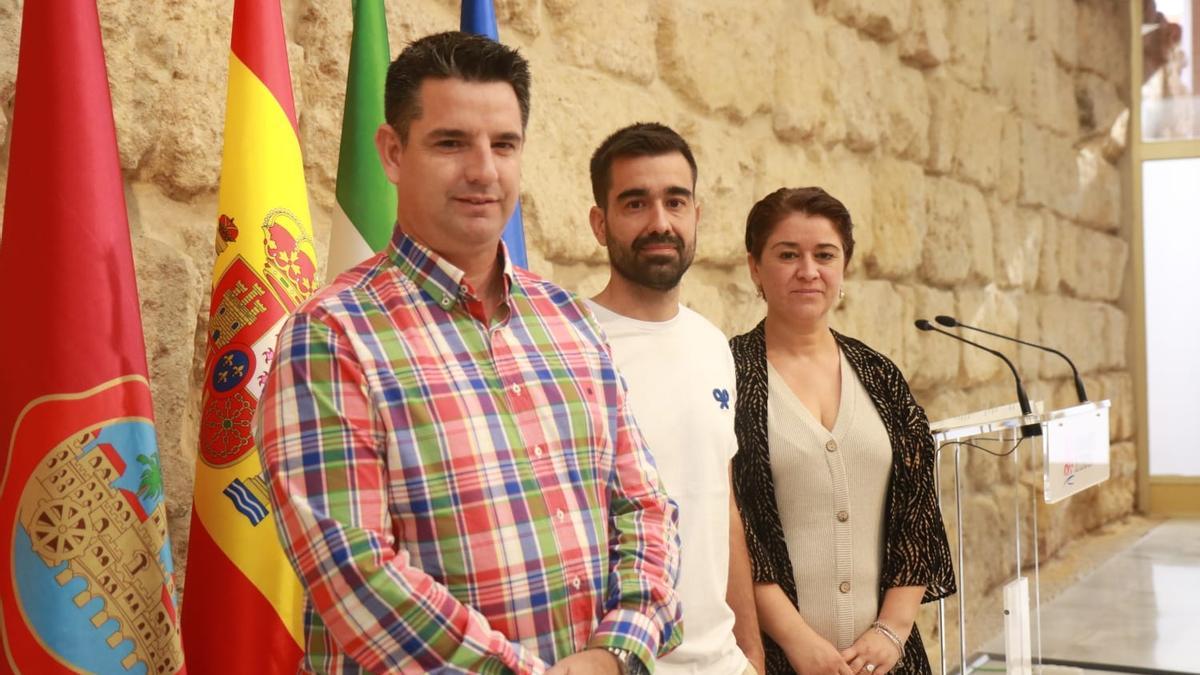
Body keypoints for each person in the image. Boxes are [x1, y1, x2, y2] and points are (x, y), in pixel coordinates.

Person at [257, 32, 681, 675]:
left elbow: (644, 506)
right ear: (393, 153)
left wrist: (617, 650)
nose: (484, 170)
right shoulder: (331, 337)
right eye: (452, 142)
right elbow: (357, 574)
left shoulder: (567, 320)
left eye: (503, 145)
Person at [728, 187, 955, 675]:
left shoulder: (879, 374)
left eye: (824, 255)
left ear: (844, 267)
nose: (808, 271)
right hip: (779, 659)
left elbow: (918, 510)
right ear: (755, 268)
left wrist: (892, 631)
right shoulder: (730, 373)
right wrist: (797, 642)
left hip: (887, 661)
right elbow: (737, 530)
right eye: (787, 254)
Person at [583, 123, 766, 675]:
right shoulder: (571, 343)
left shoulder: (712, 344)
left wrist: (750, 649)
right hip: (626, 662)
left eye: (675, 201)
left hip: (724, 662)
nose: (659, 222)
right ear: (600, 223)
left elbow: (720, 501)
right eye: (635, 203)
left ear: (696, 216)